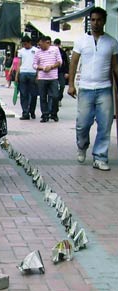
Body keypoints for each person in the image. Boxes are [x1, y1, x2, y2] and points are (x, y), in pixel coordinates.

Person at [68, 7, 118, 171]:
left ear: (104, 21)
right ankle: (82, 146)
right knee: (83, 124)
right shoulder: (81, 41)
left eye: (98, 20)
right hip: (86, 88)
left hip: (104, 88)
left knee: (105, 125)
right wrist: (71, 84)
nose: (95, 23)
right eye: (93, 20)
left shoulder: (112, 42)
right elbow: (74, 62)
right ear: (90, 21)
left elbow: (116, 67)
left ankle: (100, 157)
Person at [33, 36, 62, 123]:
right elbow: (34, 64)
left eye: (41, 44)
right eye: (39, 45)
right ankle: (45, 114)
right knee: (43, 97)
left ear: (47, 42)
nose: (40, 46)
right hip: (42, 77)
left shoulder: (55, 49)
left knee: (55, 96)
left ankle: (54, 113)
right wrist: (42, 68)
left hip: (53, 77)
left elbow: (60, 62)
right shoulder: (38, 52)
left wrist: (51, 67)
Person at [17, 35, 38, 119]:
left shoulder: (36, 51)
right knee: (23, 93)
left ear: (29, 43)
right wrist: (17, 74)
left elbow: (39, 62)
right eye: (23, 44)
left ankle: (32, 110)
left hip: (33, 73)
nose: (24, 46)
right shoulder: (21, 51)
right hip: (23, 73)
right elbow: (19, 63)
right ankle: (25, 112)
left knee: (33, 94)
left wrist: (38, 74)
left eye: (25, 44)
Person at [53, 38, 69, 107]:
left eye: (57, 45)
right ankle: (55, 99)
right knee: (54, 86)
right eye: (55, 44)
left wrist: (67, 72)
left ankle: (59, 98)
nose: (56, 46)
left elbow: (66, 62)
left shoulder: (62, 52)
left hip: (61, 71)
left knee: (62, 85)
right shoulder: (51, 51)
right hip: (53, 71)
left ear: (59, 45)